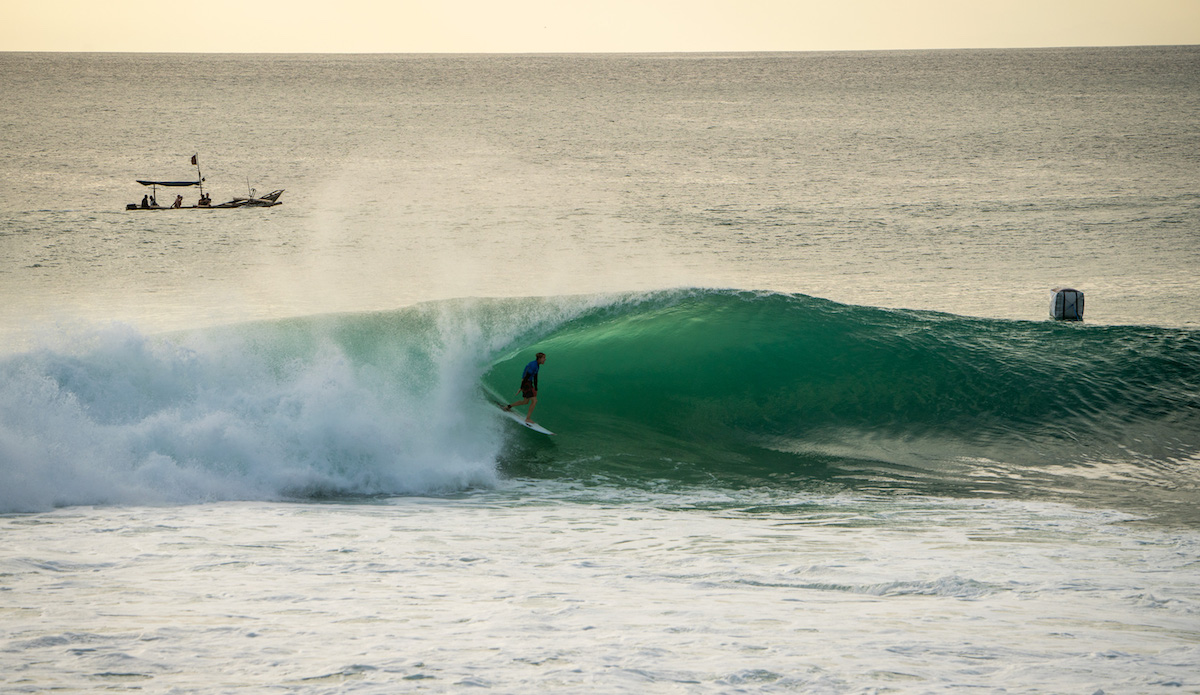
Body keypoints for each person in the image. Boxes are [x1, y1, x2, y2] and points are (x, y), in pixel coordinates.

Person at [504, 352, 545, 423]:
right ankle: (528, 418)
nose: (545, 359)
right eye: (544, 358)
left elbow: (535, 377)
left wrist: (536, 388)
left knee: (525, 402)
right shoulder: (533, 365)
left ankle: (508, 406)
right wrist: (521, 387)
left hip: (528, 382)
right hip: (526, 382)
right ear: (539, 358)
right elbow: (526, 376)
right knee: (534, 401)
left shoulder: (537, 365)